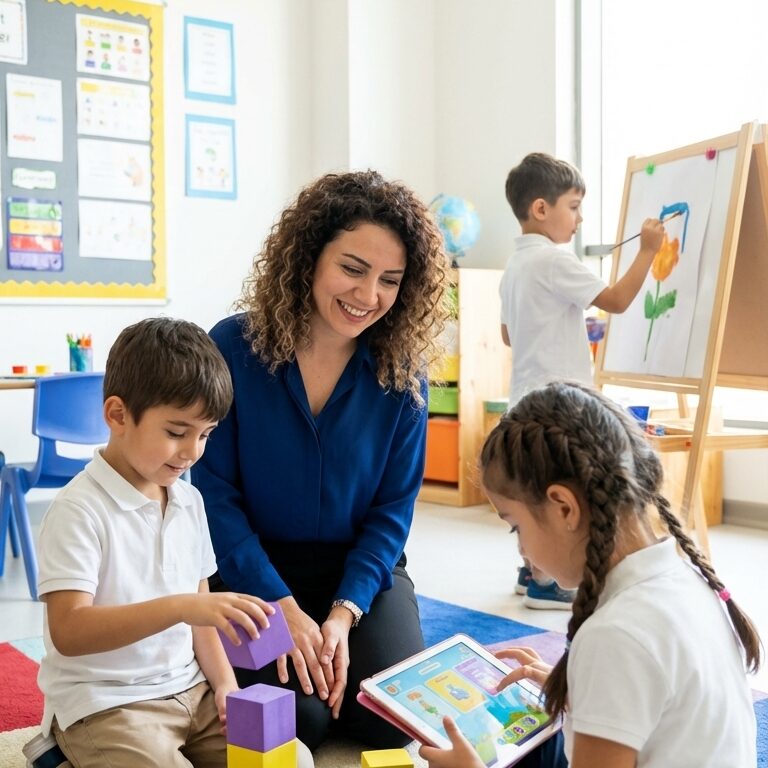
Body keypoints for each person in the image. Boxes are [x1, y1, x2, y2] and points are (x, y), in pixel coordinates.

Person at [192, 169, 448, 751]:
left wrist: (341, 615)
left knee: (387, 720)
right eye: (352, 269)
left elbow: (392, 512)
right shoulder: (231, 347)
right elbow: (213, 499)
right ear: (309, 257)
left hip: (361, 575)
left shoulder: (403, 375)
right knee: (295, 720)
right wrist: (281, 607)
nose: (368, 296)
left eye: (389, 280)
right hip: (252, 572)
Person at [421, 381, 760, 768]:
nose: (522, 551)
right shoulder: (686, 578)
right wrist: (580, 694)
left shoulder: (614, 635)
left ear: (564, 508)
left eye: (516, 527)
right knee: (534, 738)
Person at [32, 317, 314, 768]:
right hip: (107, 703)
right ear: (118, 415)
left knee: (292, 759)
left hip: (191, 690)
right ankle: (64, 751)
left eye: (205, 434)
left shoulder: (189, 500)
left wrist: (226, 685)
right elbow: (69, 631)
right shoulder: (78, 510)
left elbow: (202, 620)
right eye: (176, 433)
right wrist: (181, 607)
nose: (192, 452)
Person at [500, 152, 666, 609]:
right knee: (564, 495)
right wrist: (647, 251)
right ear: (541, 208)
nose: (579, 218)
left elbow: (508, 333)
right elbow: (616, 300)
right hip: (562, 403)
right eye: (573, 207)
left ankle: (531, 570)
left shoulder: (515, 266)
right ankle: (546, 582)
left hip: (525, 397)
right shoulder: (554, 260)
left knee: (536, 491)